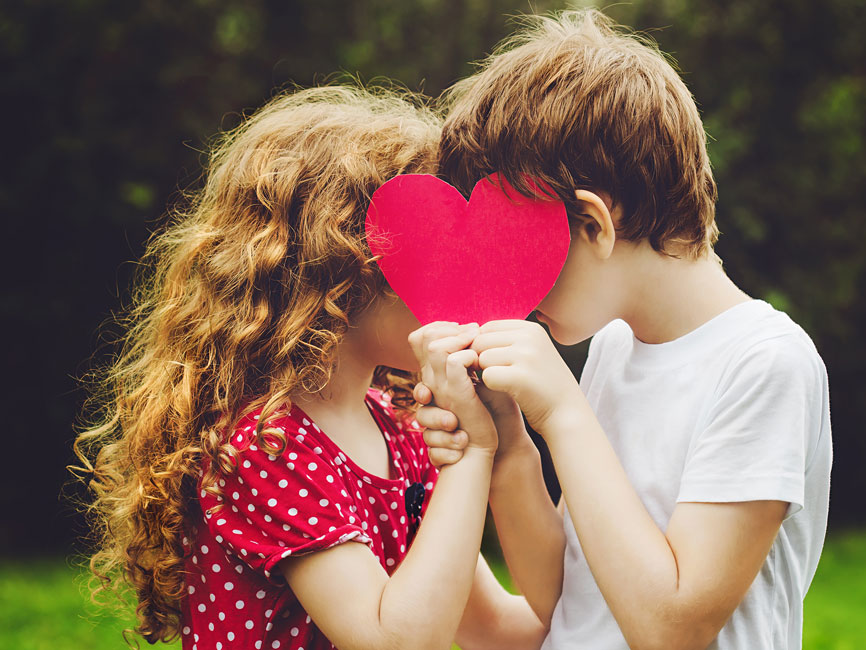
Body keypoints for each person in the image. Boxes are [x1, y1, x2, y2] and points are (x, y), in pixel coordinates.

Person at [417, 10, 833, 650]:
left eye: (517, 256)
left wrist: (562, 413)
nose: (512, 296)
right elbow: (567, 591)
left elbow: (673, 628)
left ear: (592, 224)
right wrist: (506, 444)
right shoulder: (615, 346)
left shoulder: (765, 363)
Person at [73, 86, 542, 650]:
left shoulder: (401, 430)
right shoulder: (264, 445)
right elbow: (391, 641)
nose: (456, 279)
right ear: (345, 270)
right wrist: (473, 457)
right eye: (429, 250)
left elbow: (499, 632)